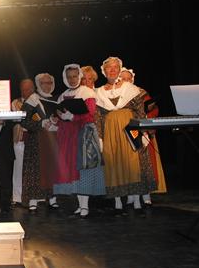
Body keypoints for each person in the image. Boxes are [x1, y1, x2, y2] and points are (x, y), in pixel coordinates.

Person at [95, 57, 156, 214]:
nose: (113, 70)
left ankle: (136, 199)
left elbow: (140, 112)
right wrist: (100, 137)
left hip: (131, 127)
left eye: (116, 67)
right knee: (113, 163)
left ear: (120, 69)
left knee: (134, 162)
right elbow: (98, 118)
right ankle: (117, 201)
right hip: (110, 131)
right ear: (104, 71)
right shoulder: (99, 92)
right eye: (109, 68)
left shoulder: (130, 88)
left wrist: (142, 132)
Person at [52, 64, 106, 218]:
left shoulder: (87, 92)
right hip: (68, 135)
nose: (72, 79)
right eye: (69, 77)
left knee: (84, 169)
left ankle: (85, 206)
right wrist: (58, 118)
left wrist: (73, 117)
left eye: (75, 76)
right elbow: (59, 112)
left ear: (79, 76)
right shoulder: (63, 95)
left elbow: (90, 115)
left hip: (84, 134)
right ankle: (79, 205)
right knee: (72, 170)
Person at [119, 67, 167, 206]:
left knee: (145, 165)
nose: (126, 81)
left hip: (142, 130)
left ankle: (146, 195)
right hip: (125, 132)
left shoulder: (141, 92)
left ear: (132, 79)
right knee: (129, 165)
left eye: (128, 78)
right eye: (123, 79)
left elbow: (154, 109)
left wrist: (147, 115)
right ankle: (130, 195)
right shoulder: (117, 95)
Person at [21, 74, 60, 212]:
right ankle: (33, 199)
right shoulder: (32, 99)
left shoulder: (57, 99)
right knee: (35, 170)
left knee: (51, 169)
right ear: (38, 84)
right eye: (43, 83)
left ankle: (52, 198)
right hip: (36, 140)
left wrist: (57, 121)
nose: (47, 85)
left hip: (53, 139)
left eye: (50, 82)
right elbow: (24, 120)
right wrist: (41, 123)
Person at [10, 79, 34, 206]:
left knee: (33, 170)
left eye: (29, 89)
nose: (27, 92)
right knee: (18, 169)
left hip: (34, 140)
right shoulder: (15, 102)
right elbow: (20, 119)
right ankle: (17, 196)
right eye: (24, 89)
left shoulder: (38, 101)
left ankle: (35, 197)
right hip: (20, 139)